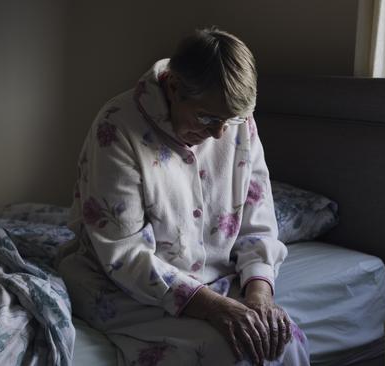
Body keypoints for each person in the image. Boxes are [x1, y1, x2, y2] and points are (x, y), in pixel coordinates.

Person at [57, 27, 310, 366]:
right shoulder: (118, 128)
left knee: (282, 340)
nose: (219, 133)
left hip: (215, 281)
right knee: (230, 353)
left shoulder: (237, 122)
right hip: (123, 286)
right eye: (207, 117)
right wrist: (210, 306)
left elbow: (257, 224)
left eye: (230, 120)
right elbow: (124, 254)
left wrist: (260, 294)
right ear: (174, 87)